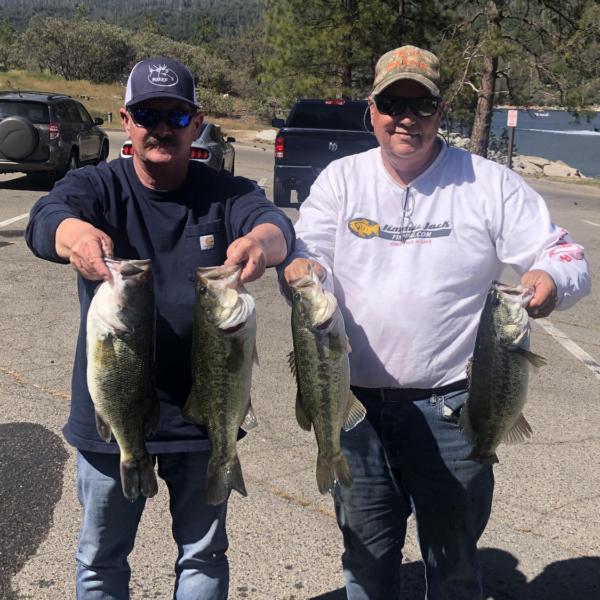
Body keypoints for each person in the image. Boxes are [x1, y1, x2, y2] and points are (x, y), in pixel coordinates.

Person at [280, 46, 591, 599]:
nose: (406, 117)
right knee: (366, 565)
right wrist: (302, 270)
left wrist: (549, 280)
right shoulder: (340, 180)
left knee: (452, 569)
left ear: (440, 111)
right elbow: (311, 253)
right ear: (371, 111)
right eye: (392, 103)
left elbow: (563, 253)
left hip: (454, 410)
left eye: (420, 104)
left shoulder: (488, 183)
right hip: (354, 409)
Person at [25, 56, 295, 600]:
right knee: (100, 559)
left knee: (202, 556)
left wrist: (259, 245)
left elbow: (276, 226)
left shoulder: (226, 191)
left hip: (203, 417)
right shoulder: (96, 185)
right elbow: (44, 218)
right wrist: (75, 235)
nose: (161, 128)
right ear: (126, 119)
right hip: (111, 415)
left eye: (176, 115)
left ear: (197, 123)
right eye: (149, 113)